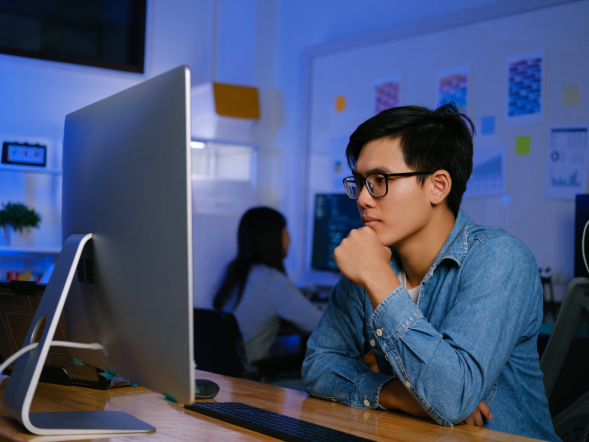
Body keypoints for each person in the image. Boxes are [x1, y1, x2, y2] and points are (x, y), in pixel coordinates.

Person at [301, 104, 559, 441]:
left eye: (380, 180)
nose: (362, 198)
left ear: (437, 186)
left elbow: (451, 398)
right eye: (361, 182)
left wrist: (378, 279)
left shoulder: (500, 258)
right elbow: (318, 365)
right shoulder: (373, 261)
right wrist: (397, 395)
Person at [214, 207, 323, 365]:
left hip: (224, 374)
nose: (290, 237)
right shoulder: (272, 282)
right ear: (274, 237)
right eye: (286, 230)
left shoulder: (236, 272)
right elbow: (318, 324)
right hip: (248, 381)